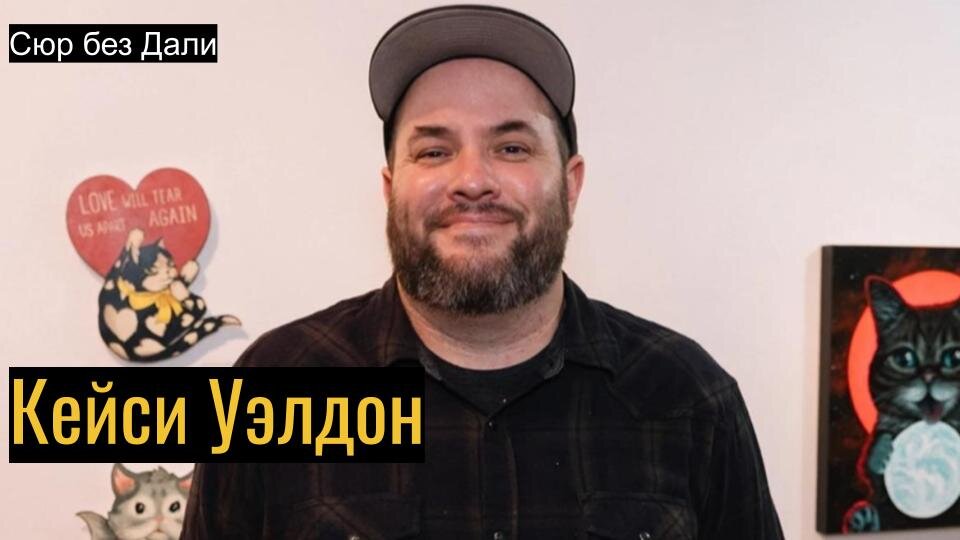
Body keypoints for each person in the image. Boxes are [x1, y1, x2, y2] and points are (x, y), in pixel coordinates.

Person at [181, 5, 784, 539]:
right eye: (434, 151)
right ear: (390, 190)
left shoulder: (686, 396)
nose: (471, 180)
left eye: (512, 148)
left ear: (570, 186)